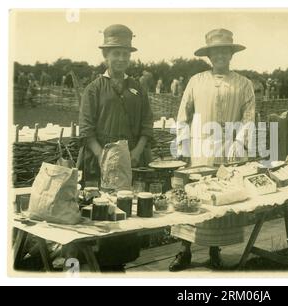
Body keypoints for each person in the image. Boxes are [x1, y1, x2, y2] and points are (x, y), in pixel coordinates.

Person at [170, 28, 255, 271]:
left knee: (221, 198)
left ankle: (215, 251)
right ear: (209, 56)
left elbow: (249, 117)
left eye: (224, 51)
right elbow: (182, 115)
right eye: (215, 52)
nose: (220, 56)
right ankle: (183, 250)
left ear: (231, 54)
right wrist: (183, 143)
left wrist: (240, 142)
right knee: (191, 197)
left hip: (229, 151)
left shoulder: (243, 84)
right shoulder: (196, 81)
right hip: (200, 150)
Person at [76, 24, 153, 271]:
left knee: (127, 215)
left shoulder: (137, 88)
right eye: (115, 53)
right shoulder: (94, 88)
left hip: (131, 161)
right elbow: (86, 128)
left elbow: (146, 123)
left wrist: (137, 152)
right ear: (105, 56)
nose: (120, 58)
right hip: (98, 161)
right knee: (101, 215)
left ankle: (118, 267)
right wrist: (102, 156)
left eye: (125, 54)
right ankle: (99, 267)